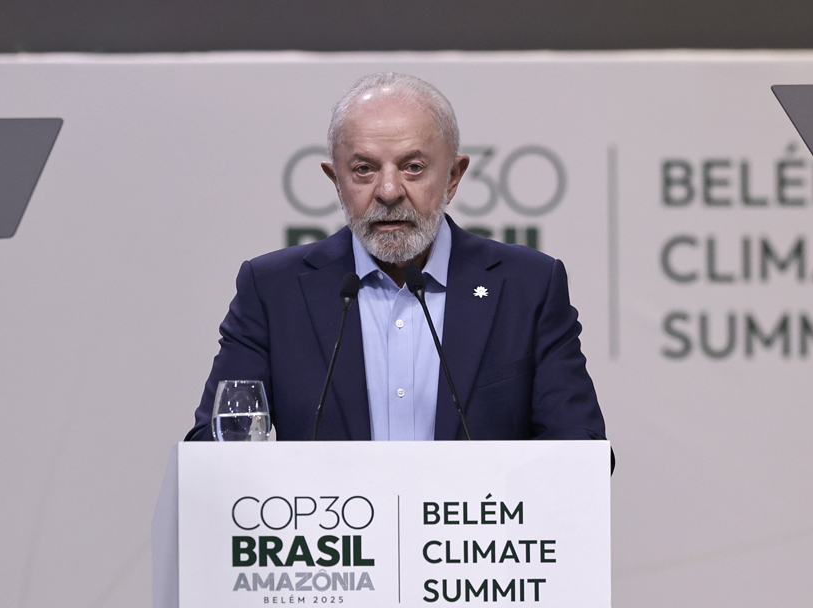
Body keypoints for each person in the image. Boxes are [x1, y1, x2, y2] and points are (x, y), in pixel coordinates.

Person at [188, 72, 605, 441]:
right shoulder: (272, 290)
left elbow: (579, 449)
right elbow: (217, 446)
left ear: (453, 177)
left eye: (413, 167)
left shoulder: (527, 287)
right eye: (364, 169)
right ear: (336, 181)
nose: (388, 191)